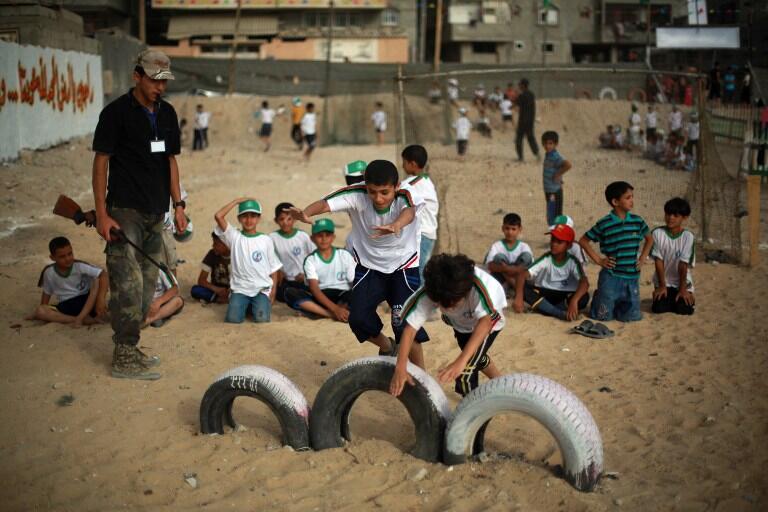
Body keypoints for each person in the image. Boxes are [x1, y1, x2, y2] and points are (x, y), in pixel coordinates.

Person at [92, 49, 186, 380]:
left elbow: (170, 161)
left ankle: (132, 346)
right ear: (137, 75)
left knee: (147, 286)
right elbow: (101, 161)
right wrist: (102, 214)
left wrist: (179, 205)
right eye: (154, 80)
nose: (160, 87)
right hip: (124, 211)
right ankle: (123, 354)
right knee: (127, 284)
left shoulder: (168, 114)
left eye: (164, 82)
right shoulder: (115, 113)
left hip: (156, 213)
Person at [287, 160, 428, 361]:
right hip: (369, 267)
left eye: (384, 192)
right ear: (365, 186)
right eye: (372, 192)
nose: (378, 198)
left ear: (396, 187)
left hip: (403, 266)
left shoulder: (406, 194)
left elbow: (410, 211)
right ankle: (388, 346)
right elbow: (326, 204)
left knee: (405, 323)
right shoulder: (356, 194)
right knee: (357, 318)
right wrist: (306, 213)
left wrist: (397, 224)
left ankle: (422, 380)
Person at [389, 254, 505, 398]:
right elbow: (409, 330)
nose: (448, 308)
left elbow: (485, 323)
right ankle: (502, 382)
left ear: (465, 292)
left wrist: (460, 361)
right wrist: (400, 367)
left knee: (465, 373)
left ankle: (474, 417)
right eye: (441, 304)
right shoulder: (432, 290)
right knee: (476, 358)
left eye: (453, 303)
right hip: (461, 324)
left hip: (489, 322)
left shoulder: (478, 287)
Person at [579, 181, 653, 322]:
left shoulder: (637, 221)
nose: (632, 201)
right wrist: (599, 260)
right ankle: (599, 297)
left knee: (632, 317)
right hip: (611, 277)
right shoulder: (605, 223)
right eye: (627, 197)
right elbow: (583, 241)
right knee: (603, 316)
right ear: (615, 201)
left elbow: (650, 239)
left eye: (632, 197)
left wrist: (643, 258)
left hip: (632, 277)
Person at [214, 198, 282, 324]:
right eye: (244, 216)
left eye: (253, 216)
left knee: (262, 319)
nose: (249, 220)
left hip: (261, 289)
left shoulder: (266, 240)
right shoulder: (234, 237)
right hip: (240, 289)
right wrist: (236, 201)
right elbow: (218, 216)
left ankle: (252, 305)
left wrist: (273, 290)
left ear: (259, 218)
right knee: (233, 319)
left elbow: (274, 267)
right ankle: (244, 304)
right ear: (239, 219)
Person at [284, 219, 356, 321]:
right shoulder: (310, 260)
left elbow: (354, 282)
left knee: (357, 292)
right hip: (321, 295)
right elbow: (314, 289)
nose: (324, 239)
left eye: (327, 235)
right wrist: (335, 309)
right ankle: (330, 314)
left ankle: (319, 312)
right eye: (319, 235)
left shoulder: (344, 255)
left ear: (333, 237)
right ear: (312, 238)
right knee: (290, 293)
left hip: (342, 294)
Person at [513, 224, 589, 321]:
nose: (554, 244)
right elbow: (522, 275)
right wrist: (518, 297)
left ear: (569, 245)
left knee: (584, 298)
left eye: (559, 242)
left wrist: (574, 301)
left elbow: (585, 283)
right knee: (524, 289)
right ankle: (558, 313)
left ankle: (545, 308)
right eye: (553, 240)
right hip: (546, 293)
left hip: (566, 295)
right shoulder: (546, 258)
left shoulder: (573, 261)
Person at [28, 237, 108, 326]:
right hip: (66, 306)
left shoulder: (79, 266)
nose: (68, 258)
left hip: (86, 302)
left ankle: (82, 318)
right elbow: (47, 292)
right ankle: (80, 320)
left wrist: (101, 299)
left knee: (96, 280)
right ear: (52, 258)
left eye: (70, 254)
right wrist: (43, 310)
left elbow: (103, 274)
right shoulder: (48, 272)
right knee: (40, 311)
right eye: (62, 256)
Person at [651, 197, 695, 315]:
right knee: (658, 308)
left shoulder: (688, 237)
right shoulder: (657, 233)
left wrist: (682, 289)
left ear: (684, 217)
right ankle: (661, 293)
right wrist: (662, 286)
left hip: (682, 282)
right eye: (668, 214)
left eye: (676, 215)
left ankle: (689, 295)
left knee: (684, 309)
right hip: (664, 281)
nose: (671, 218)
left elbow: (683, 264)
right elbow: (658, 261)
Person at [401, 145, 439, 280]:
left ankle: (422, 300)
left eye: (404, 162)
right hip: (427, 234)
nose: (402, 166)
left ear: (412, 164)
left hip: (422, 234)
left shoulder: (412, 184)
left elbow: (397, 192)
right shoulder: (426, 180)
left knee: (418, 273)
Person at [269, 202, 316, 304]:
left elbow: (315, 257)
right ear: (276, 220)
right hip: (284, 280)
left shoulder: (303, 236)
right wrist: (278, 270)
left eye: (289, 219)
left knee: (310, 290)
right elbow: (270, 259)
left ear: (294, 219)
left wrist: (305, 274)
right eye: (281, 219)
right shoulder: (272, 238)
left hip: (302, 279)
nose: (285, 222)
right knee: (283, 293)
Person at [483, 213, 533, 294]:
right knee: (498, 257)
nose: (510, 232)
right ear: (502, 228)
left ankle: (513, 287)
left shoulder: (524, 246)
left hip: (519, 277)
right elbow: (489, 265)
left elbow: (529, 267)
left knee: (527, 256)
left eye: (513, 229)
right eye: (507, 228)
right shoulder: (497, 245)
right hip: (502, 277)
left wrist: (512, 269)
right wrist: (507, 269)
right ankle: (516, 288)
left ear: (520, 229)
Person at [541, 130, 572, 227]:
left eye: (550, 143)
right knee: (552, 213)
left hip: (554, 192)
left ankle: (557, 238)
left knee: (554, 214)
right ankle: (556, 237)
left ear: (555, 144)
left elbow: (568, 165)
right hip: (549, 190)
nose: (547, 146)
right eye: (545, 143)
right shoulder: (548, 155)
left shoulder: (555, 156)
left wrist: (558, 174)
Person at [191, 232, 231, 304]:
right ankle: (220, 299)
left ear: (226, 245)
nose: (213, 246)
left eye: (216, 244)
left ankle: (224, 299)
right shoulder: (212, 254)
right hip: (215, 289)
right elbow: (201, 280)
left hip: (233, 291)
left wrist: (230, 291)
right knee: (195, 290)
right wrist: (216, 289)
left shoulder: (237, 256)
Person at [515, 78, 539, 162]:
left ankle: (520, 157)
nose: (518, 86)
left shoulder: (522, 95)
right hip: (530, 120)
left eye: (520, 85)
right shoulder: (531, 94)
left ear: (522, 85)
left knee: (519, 139)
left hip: (522, 121)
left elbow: (517, 103)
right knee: (531, 137)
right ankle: (537, 154)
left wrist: (517, 94)